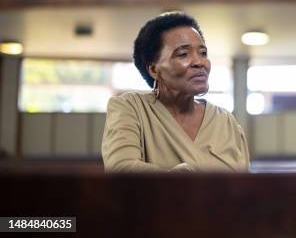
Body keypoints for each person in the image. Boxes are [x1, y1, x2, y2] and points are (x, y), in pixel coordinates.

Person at [102, 12, 250, 172]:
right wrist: (175, 181)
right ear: (154, 69)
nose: (199, 62)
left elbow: (245, 185)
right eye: (183, 54)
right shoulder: (131, 108)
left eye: (203, 53)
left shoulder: (226, 121)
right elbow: (121, 169)